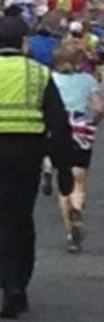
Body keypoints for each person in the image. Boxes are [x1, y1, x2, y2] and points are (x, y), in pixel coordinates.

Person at [0, 15, 72, 318]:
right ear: (24, 42)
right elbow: (58, 123)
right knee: (23, 219)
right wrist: (63, 168)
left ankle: (7, 282)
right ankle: (20, 283)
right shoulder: (39, 74)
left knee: (0, 220)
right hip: (29, 151)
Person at [50, 45, 103, 253]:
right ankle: (77, 208)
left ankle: (71, 232)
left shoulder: (50, 80)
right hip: (81, 130)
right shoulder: (88, 81)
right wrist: (93, 122)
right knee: (79, 180)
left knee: (63, 182)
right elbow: (99, 108)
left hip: (60, 129)